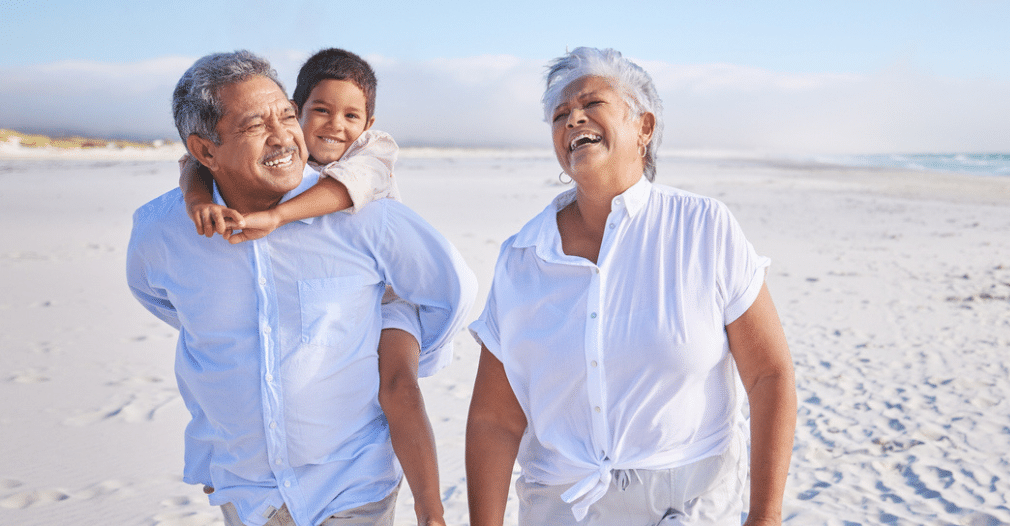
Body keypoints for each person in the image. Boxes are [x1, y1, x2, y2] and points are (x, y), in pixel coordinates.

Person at [126, 51, 476, 526]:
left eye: (286, 117)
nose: (283, 136)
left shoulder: (365, 211)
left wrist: (398, 339)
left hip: (352, 485)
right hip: (247, 496)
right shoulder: (162, 232)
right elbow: (165, 302)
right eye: (256, 125)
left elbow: (452, 293)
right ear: (206, 151)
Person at [465, 47, 797, 525]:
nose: (573, 118)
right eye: (560, 115)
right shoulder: (522, 258)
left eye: (591, 104)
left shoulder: (704, 228)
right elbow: (494, 420)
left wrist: (766, 515)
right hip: (562, 508)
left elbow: (770, 375)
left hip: (688, 504)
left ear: (644, 127)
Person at [179, 47, 401, 243]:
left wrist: (277, 216)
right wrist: (197, 202)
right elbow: (196, 163)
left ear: (367, 125)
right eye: (322, 111)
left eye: (351, 116)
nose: (335, 125)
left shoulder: (373, 150)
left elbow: (347, 186)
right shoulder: (293, 149)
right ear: (297, 112)